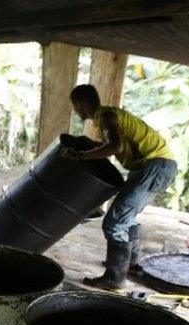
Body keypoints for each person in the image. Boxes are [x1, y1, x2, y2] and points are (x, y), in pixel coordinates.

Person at [62, 84, 177, 290]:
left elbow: (115, 146)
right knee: (126, 217)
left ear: (81, 103)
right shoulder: (108, 116)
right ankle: (129, 266)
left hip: (154, 165)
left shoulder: (106, 117)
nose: (75, 110)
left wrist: (80, 156)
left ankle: (115, 278)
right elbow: (115, 146)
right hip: (158, 165)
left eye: (75, 105)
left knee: (114, 223)